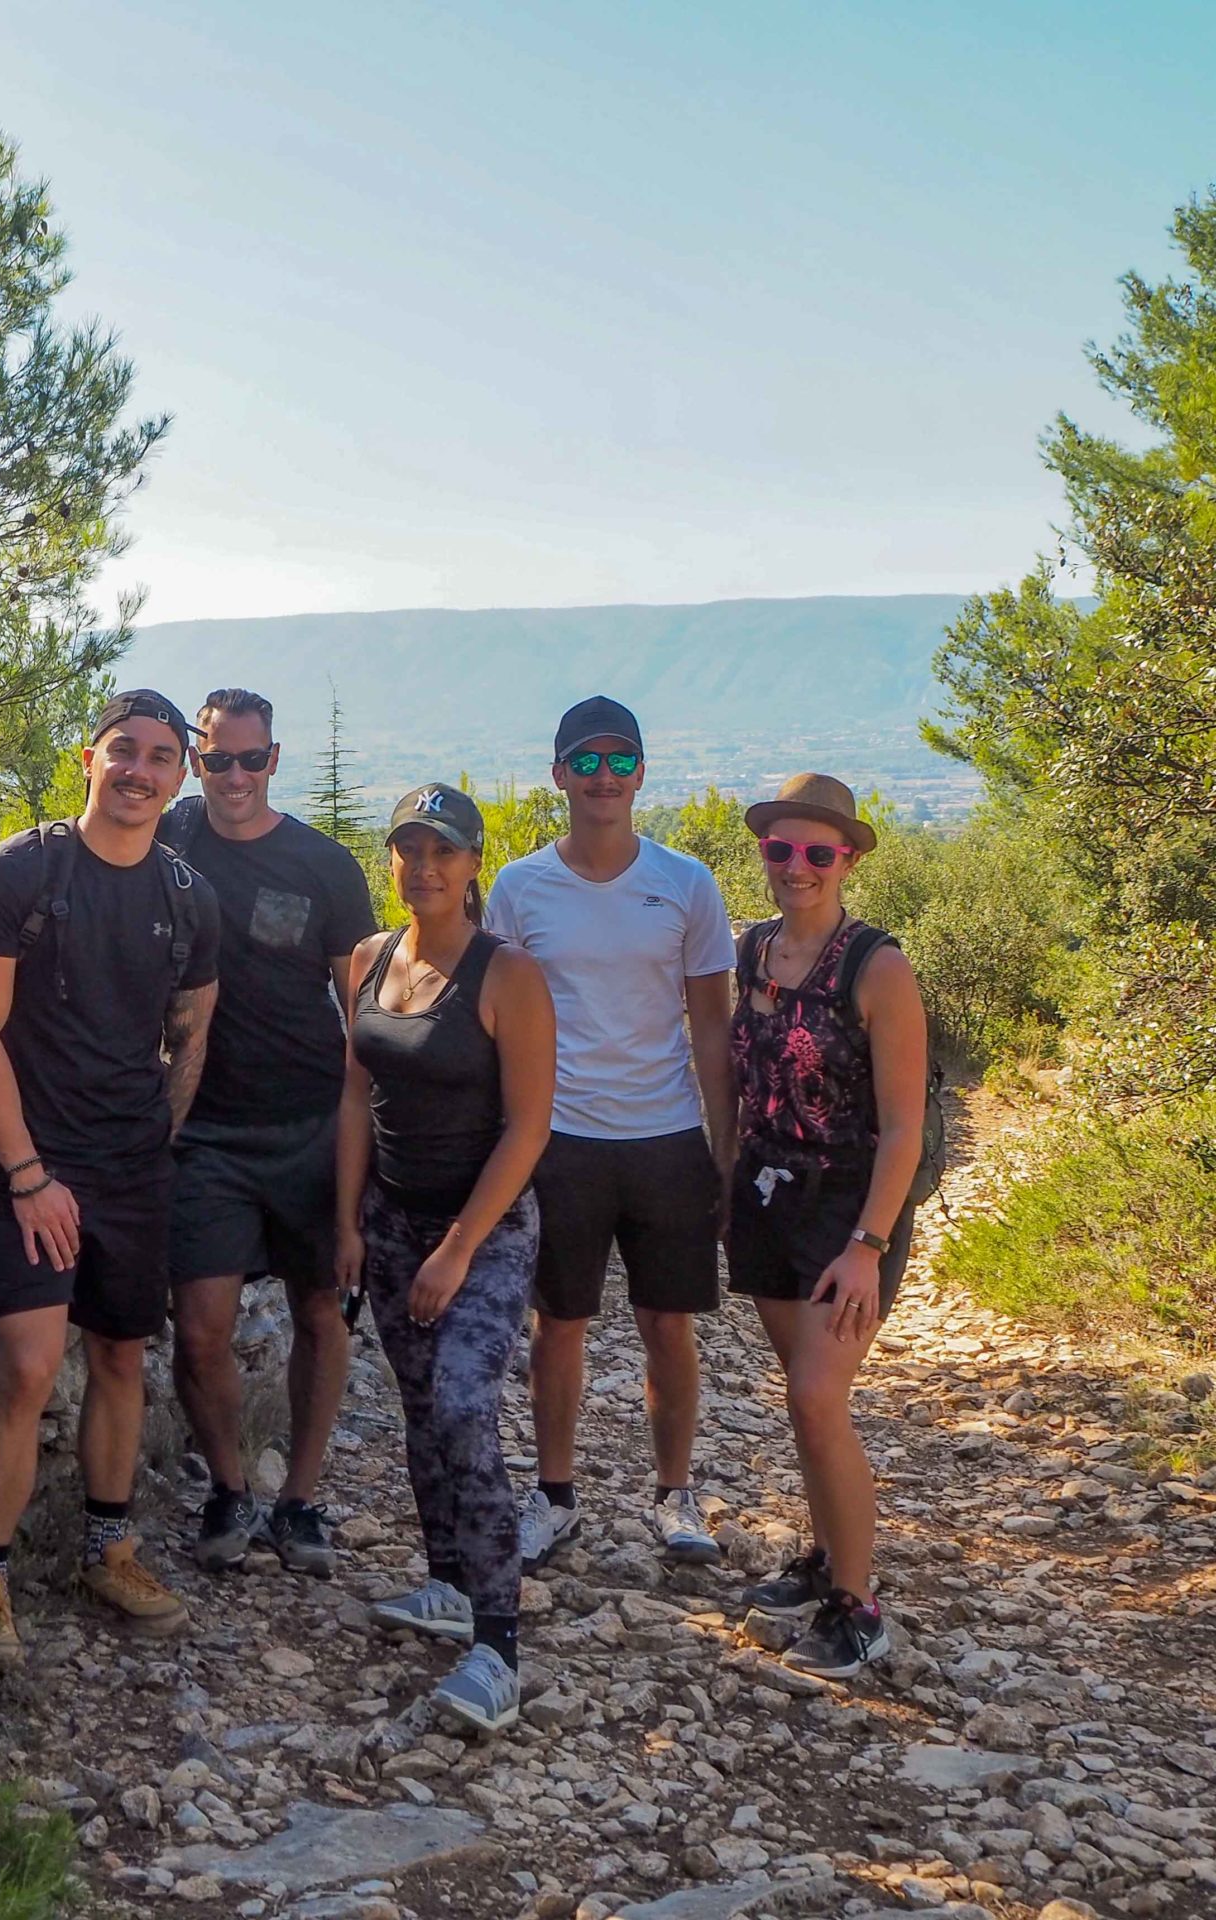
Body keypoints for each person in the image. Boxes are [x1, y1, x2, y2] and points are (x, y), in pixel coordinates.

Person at [0, 689, 221, 1673]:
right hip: (35, 1161)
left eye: (160, 756)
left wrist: (155, 1145)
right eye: (123, 751)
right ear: (87, 759)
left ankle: (110, 1552)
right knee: (27, 1367)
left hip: (133, 1167)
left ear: (180, 775)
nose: (140, 771)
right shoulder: (20, 873)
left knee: (119, 1359)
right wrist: (27, 1174)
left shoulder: (188, 895)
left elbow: (191, 1033)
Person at [484, 695, 736, 1572]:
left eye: (619, 760)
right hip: (559, 1137)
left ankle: (675, 1495)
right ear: (558, 775)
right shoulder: (519, 888)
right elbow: (496, 1023)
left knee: (669, 1325)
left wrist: (725, 1148)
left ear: (641, 774)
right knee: (559, 1324)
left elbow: (712, 1028)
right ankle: (554, 1497)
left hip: (666, 1135)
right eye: (585, 761)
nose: (603, 777)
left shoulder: (687, 883)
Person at [339, 784, 556, 1734]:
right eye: (409, 849)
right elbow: (356, 1097)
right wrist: (348, 1222)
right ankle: (447, 1584)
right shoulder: (369, 958)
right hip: (389, 1222)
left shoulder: (509, 976)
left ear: (474, 864)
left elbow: (530, 1125)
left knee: (466, 1407)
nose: (424, 867)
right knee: (422, 1407)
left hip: (485, 1230)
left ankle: (498, 1646)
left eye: (444, 851)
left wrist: (460, 1248)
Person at [156, 687, 375, 1576]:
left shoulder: (325, 866)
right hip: (204, 1130)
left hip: (310, 1123)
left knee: (321, 1310)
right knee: (200, 1325)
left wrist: (368, 1143)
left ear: (274, 759)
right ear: (196, 761)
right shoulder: (169, 841)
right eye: (217, 760)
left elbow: (364, 1013)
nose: (235, 776)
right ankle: (229, 1487)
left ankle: (302, 1499)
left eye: (251, 759)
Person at [727, 773, 928, 1679]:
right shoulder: (753, 951)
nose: (797, 866)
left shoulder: (876, 967)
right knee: (806, 1401)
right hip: (767, 1194)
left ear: (847, 860)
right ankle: (824, 1557)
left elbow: (905, 1129)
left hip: (850, 1208)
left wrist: (868, 1248)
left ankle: (858, 1607)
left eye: (818, 851)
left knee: (816, 1396)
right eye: (782, 849)